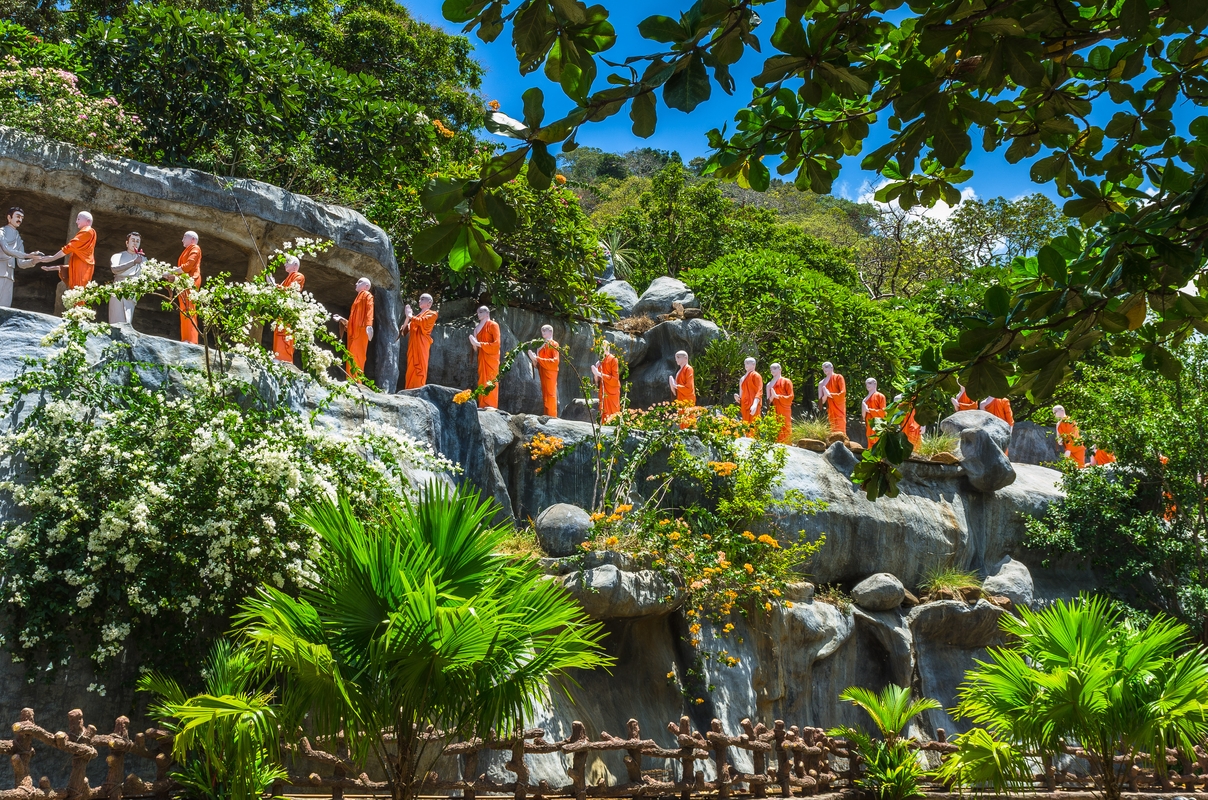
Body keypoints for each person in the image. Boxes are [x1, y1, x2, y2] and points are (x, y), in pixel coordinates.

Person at [37, 210, 97, 293]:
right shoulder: (88, 234)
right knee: (77, 293)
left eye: (78, 219)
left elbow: (69, 247)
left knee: (79, 293)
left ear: (88, 221)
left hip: (83, 267)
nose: (76, 222)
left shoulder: (87, 231)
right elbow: (75, 261)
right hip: (83, 265)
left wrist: (52, 258)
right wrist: (56, 268)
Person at [0, 207, 40, 308]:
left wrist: (33, 261)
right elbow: (6, 249)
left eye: (22, 218)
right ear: (9, 217)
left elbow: (21, 263)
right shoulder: (1, 232)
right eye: (18, 216)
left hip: (9, 276)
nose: (20, 220)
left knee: (5, 308)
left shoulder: (18, 238)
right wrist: (27, 255)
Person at [335, 278, 374, 382]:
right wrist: (342, 320)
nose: (356, 283)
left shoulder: (367, 295)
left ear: (366, 286)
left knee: (357, 356)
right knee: (351, 357)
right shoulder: (357, 298)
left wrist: (369, 325)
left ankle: (357, 381)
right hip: (354, 332)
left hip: (361, 331)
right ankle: (350, 380)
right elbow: (353, 322)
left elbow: (370, 309)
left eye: (360, 282)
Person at [400, 293, 438, 389]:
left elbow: (422, 322)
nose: (419, 301)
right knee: (411, 367)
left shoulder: (432, 314)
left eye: (422, 299)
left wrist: (410, 316)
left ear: (429, 303)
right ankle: (408, 389)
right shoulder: (415, 317)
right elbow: (404, 332)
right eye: (419, 299)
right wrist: (407, 317)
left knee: (419, 367)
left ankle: (418, 389)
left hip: (422, 344)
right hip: (412, 345)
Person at [270, 255, 305, 362]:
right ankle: (278, 355)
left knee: (286, 333)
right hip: (283, 309)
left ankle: (284, 357)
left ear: (295, 265)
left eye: (287, 262)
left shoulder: (299, 276)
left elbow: (291, 291)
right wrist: (272, 284)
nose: (285, 264)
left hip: (289, 310)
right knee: (279, 331)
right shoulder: (286, 279)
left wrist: (274, 285)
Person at [171, 231, 203, 343]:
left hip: (191, 280)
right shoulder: (187, 250)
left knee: (189, 308)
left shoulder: (195, 248)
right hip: (184, 281)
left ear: (193, 239)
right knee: (184, 309)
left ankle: (192, 339)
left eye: (185, 237)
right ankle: (186, 337)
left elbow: (188, 266)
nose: (182, 240)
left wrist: (172, 272)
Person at [108, 232, 145, 325]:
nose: (135, 243)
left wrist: (168, 275)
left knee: (127, 320)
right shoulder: (117, 256)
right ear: (127, 243)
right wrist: (133, 262)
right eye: (132, 240)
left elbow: (153, 272)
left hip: (132, 292)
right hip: (118, 290)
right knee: (116, 321)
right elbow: (114, 269)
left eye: (137, 241)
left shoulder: (143, 259)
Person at [469, 305, 500, 408]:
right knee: (482, 379)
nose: (479, 314)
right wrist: (474, 344)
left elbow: (496, 345)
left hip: (492, 358)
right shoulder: (477, 328)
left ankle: (491, 404)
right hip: (482, 357)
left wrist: (478, 343)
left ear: (487, 313)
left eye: (481, 312)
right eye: (478, 312)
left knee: (491, 379)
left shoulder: (493, 325)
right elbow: (476, 349)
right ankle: (482, 403)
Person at [527, 324, 560, 416]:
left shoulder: (554, 344)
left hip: (550, 372)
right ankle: (546, 413)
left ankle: (552, 415)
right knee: (545, 393)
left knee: (551, 393)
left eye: (545, 330)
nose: (543, 332)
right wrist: (533, 359)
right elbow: (538, 365)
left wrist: (538, 359)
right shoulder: (541, 346)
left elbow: (555, 361)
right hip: (543, 372)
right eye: (542, 330)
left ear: (550, 332)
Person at [592, 340, 622, 422]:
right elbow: (596, 382)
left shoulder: (613, 359)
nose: (600, 350)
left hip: (612, 391)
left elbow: (615, 380)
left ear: (606, 348)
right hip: (603, 390)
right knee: (603, 412)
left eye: (602, 348)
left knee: (613, 414)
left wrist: (599, 373)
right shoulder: (600, 362)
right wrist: (595, 373)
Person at [766, 362, 794, 444]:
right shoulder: (769, 384)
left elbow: (791, 396)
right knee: (775, 425)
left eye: (774, 368)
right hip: (774, 408)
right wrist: (772, 397)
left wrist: (778, 396)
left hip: (784, 407)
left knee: (785, 425)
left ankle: (787, 443)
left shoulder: (786, 381)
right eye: (771, 369)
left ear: (780, 369)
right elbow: (768, 401)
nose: (772, 371)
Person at [817, 361, 847, 437]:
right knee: (832, 425)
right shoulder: (821, 383)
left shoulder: (838, 377)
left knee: (840, 424)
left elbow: (843, 393)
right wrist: (826, 396)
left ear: (832, 368)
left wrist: (830, 394)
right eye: (823, 368)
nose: (824, 369)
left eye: (826, 367)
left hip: (839, 406)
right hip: (830, 408)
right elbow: (821, 402)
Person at [735, 357, 763, 422]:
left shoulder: (756, 375)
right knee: (745, 425)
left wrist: (755, 404)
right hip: (744, 404)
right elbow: (741, 395)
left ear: (753, 365)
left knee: (754, 424)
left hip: (753, 403)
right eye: (745, 363)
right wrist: (738, 398)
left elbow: (759, 391)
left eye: (747, 363)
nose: (745, 365)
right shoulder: (742, 378)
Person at [862, 377, 887, 446]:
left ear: (875, 384)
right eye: (866, 383)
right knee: (870, 439)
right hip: (869, 423)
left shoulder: (880, 396)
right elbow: (863, 415)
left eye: (869, 383)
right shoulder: (865, 399)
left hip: (877, 424)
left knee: (877, 440)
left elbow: (883, 412)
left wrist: (870, 410)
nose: (868, 385)